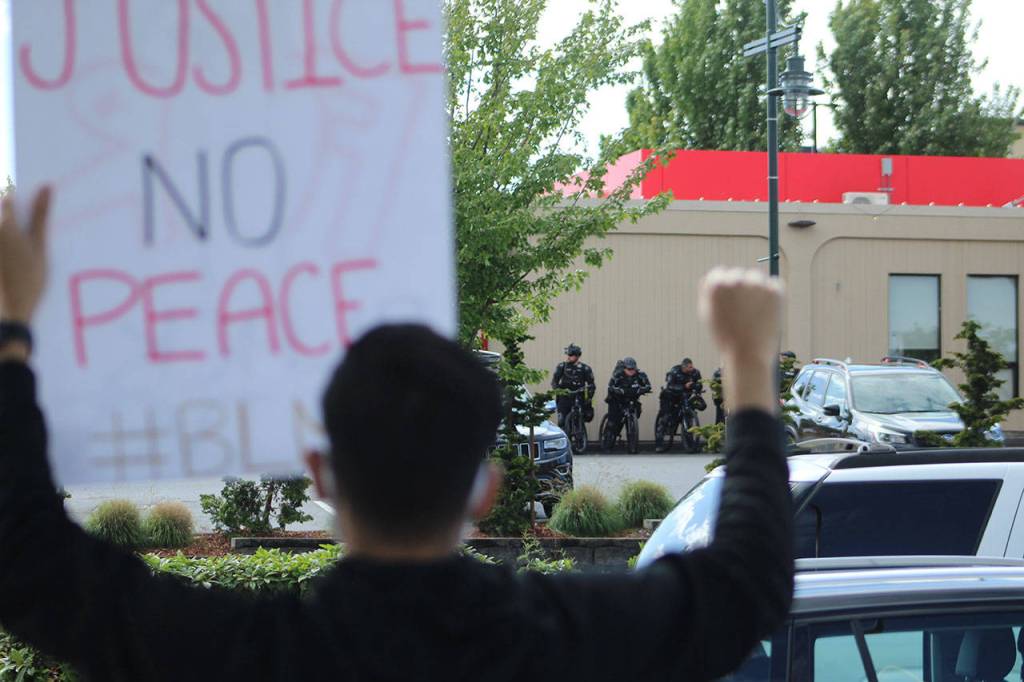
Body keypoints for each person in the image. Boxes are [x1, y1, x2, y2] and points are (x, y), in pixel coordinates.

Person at [0, 189, 792, 682]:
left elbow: (27, 558)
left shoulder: (250, 651)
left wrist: (13, 327)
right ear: (487, 488)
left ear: (320, 473)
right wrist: (749, 367)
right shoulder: (567, 641)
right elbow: (746, 583)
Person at [654, 358, 705, 452]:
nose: (692, 368)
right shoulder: (675, 371)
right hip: (671, 395)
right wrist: (684, 386)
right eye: (689, 367)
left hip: (685, 396)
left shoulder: (695, 373)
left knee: (689, 417)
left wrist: (695, 386)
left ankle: (691, 445)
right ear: (684, 367)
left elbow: (699, 384)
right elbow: (670, 385)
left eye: (692, 366)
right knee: (665, 417)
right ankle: (659, 444)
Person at [602, 357, 652, 448]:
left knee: (637, 412)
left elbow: (648, 385)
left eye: (633, 369)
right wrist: (618, 390)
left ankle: (632, 440)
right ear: (624, 368)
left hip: (632, 400)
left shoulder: (640, 375)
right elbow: (611, 386)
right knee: (613, 420)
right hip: (617, 400)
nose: (631, 371)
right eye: (629, 369)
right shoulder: (618, 375)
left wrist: (643, 389)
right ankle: (607, 440)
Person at [551, 343, 596, 428]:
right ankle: (564, 437)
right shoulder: (562, 366)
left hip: (579, 395)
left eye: (571, 355)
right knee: (562, 421)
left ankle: (580, 436)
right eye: (569, 354)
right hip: (565, 395)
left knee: (579, 419)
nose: (569, 357)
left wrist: (589, 397)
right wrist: (558, 390)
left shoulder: (585, 368)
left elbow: (591, 384)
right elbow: (554, 381)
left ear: (577, 356)